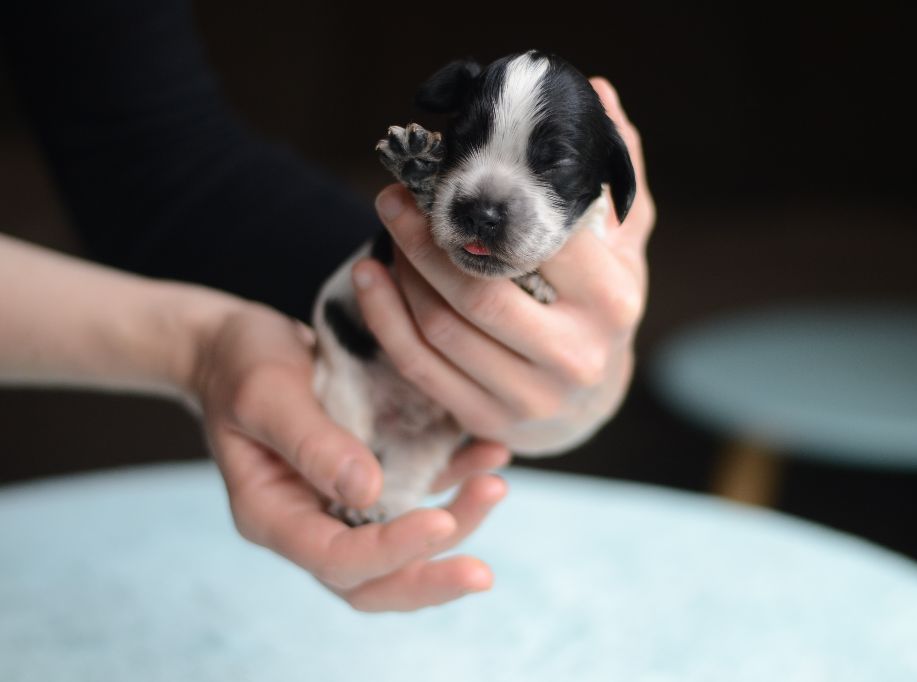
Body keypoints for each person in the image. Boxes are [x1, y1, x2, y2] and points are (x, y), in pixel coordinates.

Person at [0, 1, 655, 612]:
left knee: (410, 458)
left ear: (613, 182)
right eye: (467, 144)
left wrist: (568, 371)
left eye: (552, 164)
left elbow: (154, 160)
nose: (487, 204)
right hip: (350, 358)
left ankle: (392, 485)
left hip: (411, 399)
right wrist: (198, 349)